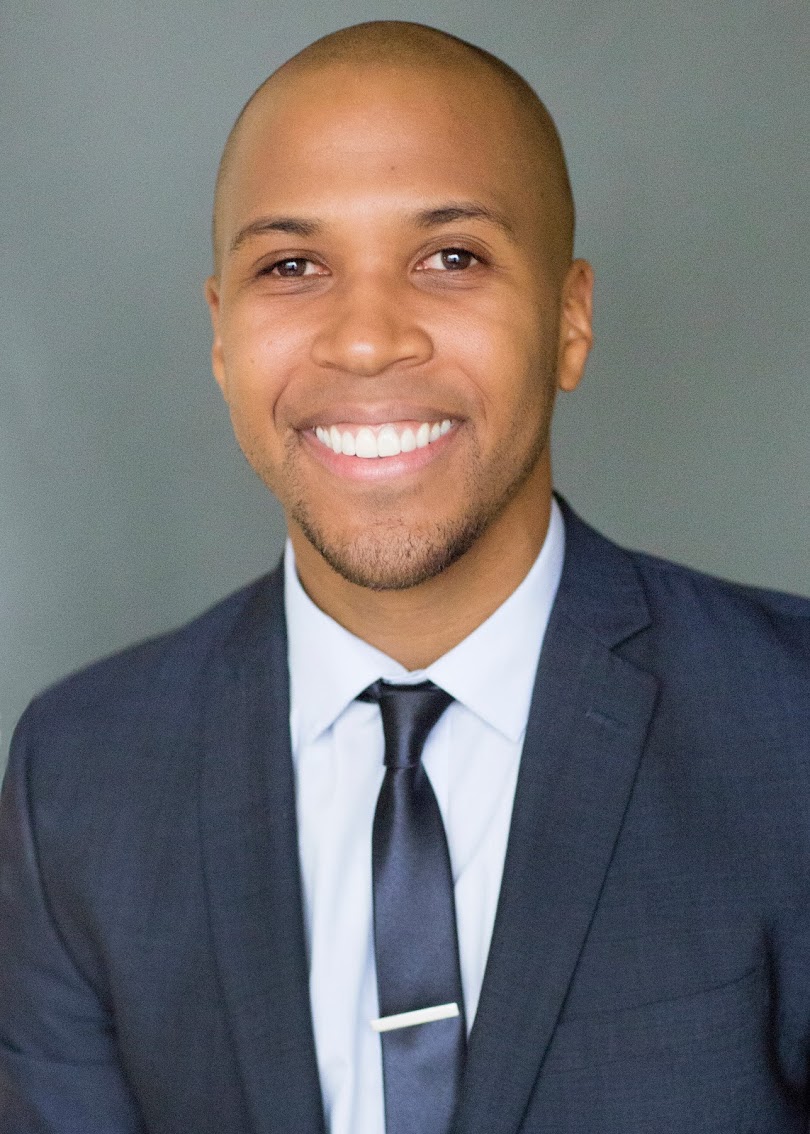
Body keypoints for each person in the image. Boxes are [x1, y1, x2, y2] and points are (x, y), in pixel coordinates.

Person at [1, 19, 809, 1134]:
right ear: (222, 339)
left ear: (571, 320)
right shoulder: (78, 778)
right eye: (292, 267)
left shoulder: (790, 727)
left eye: (452, 258)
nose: (368, 340)